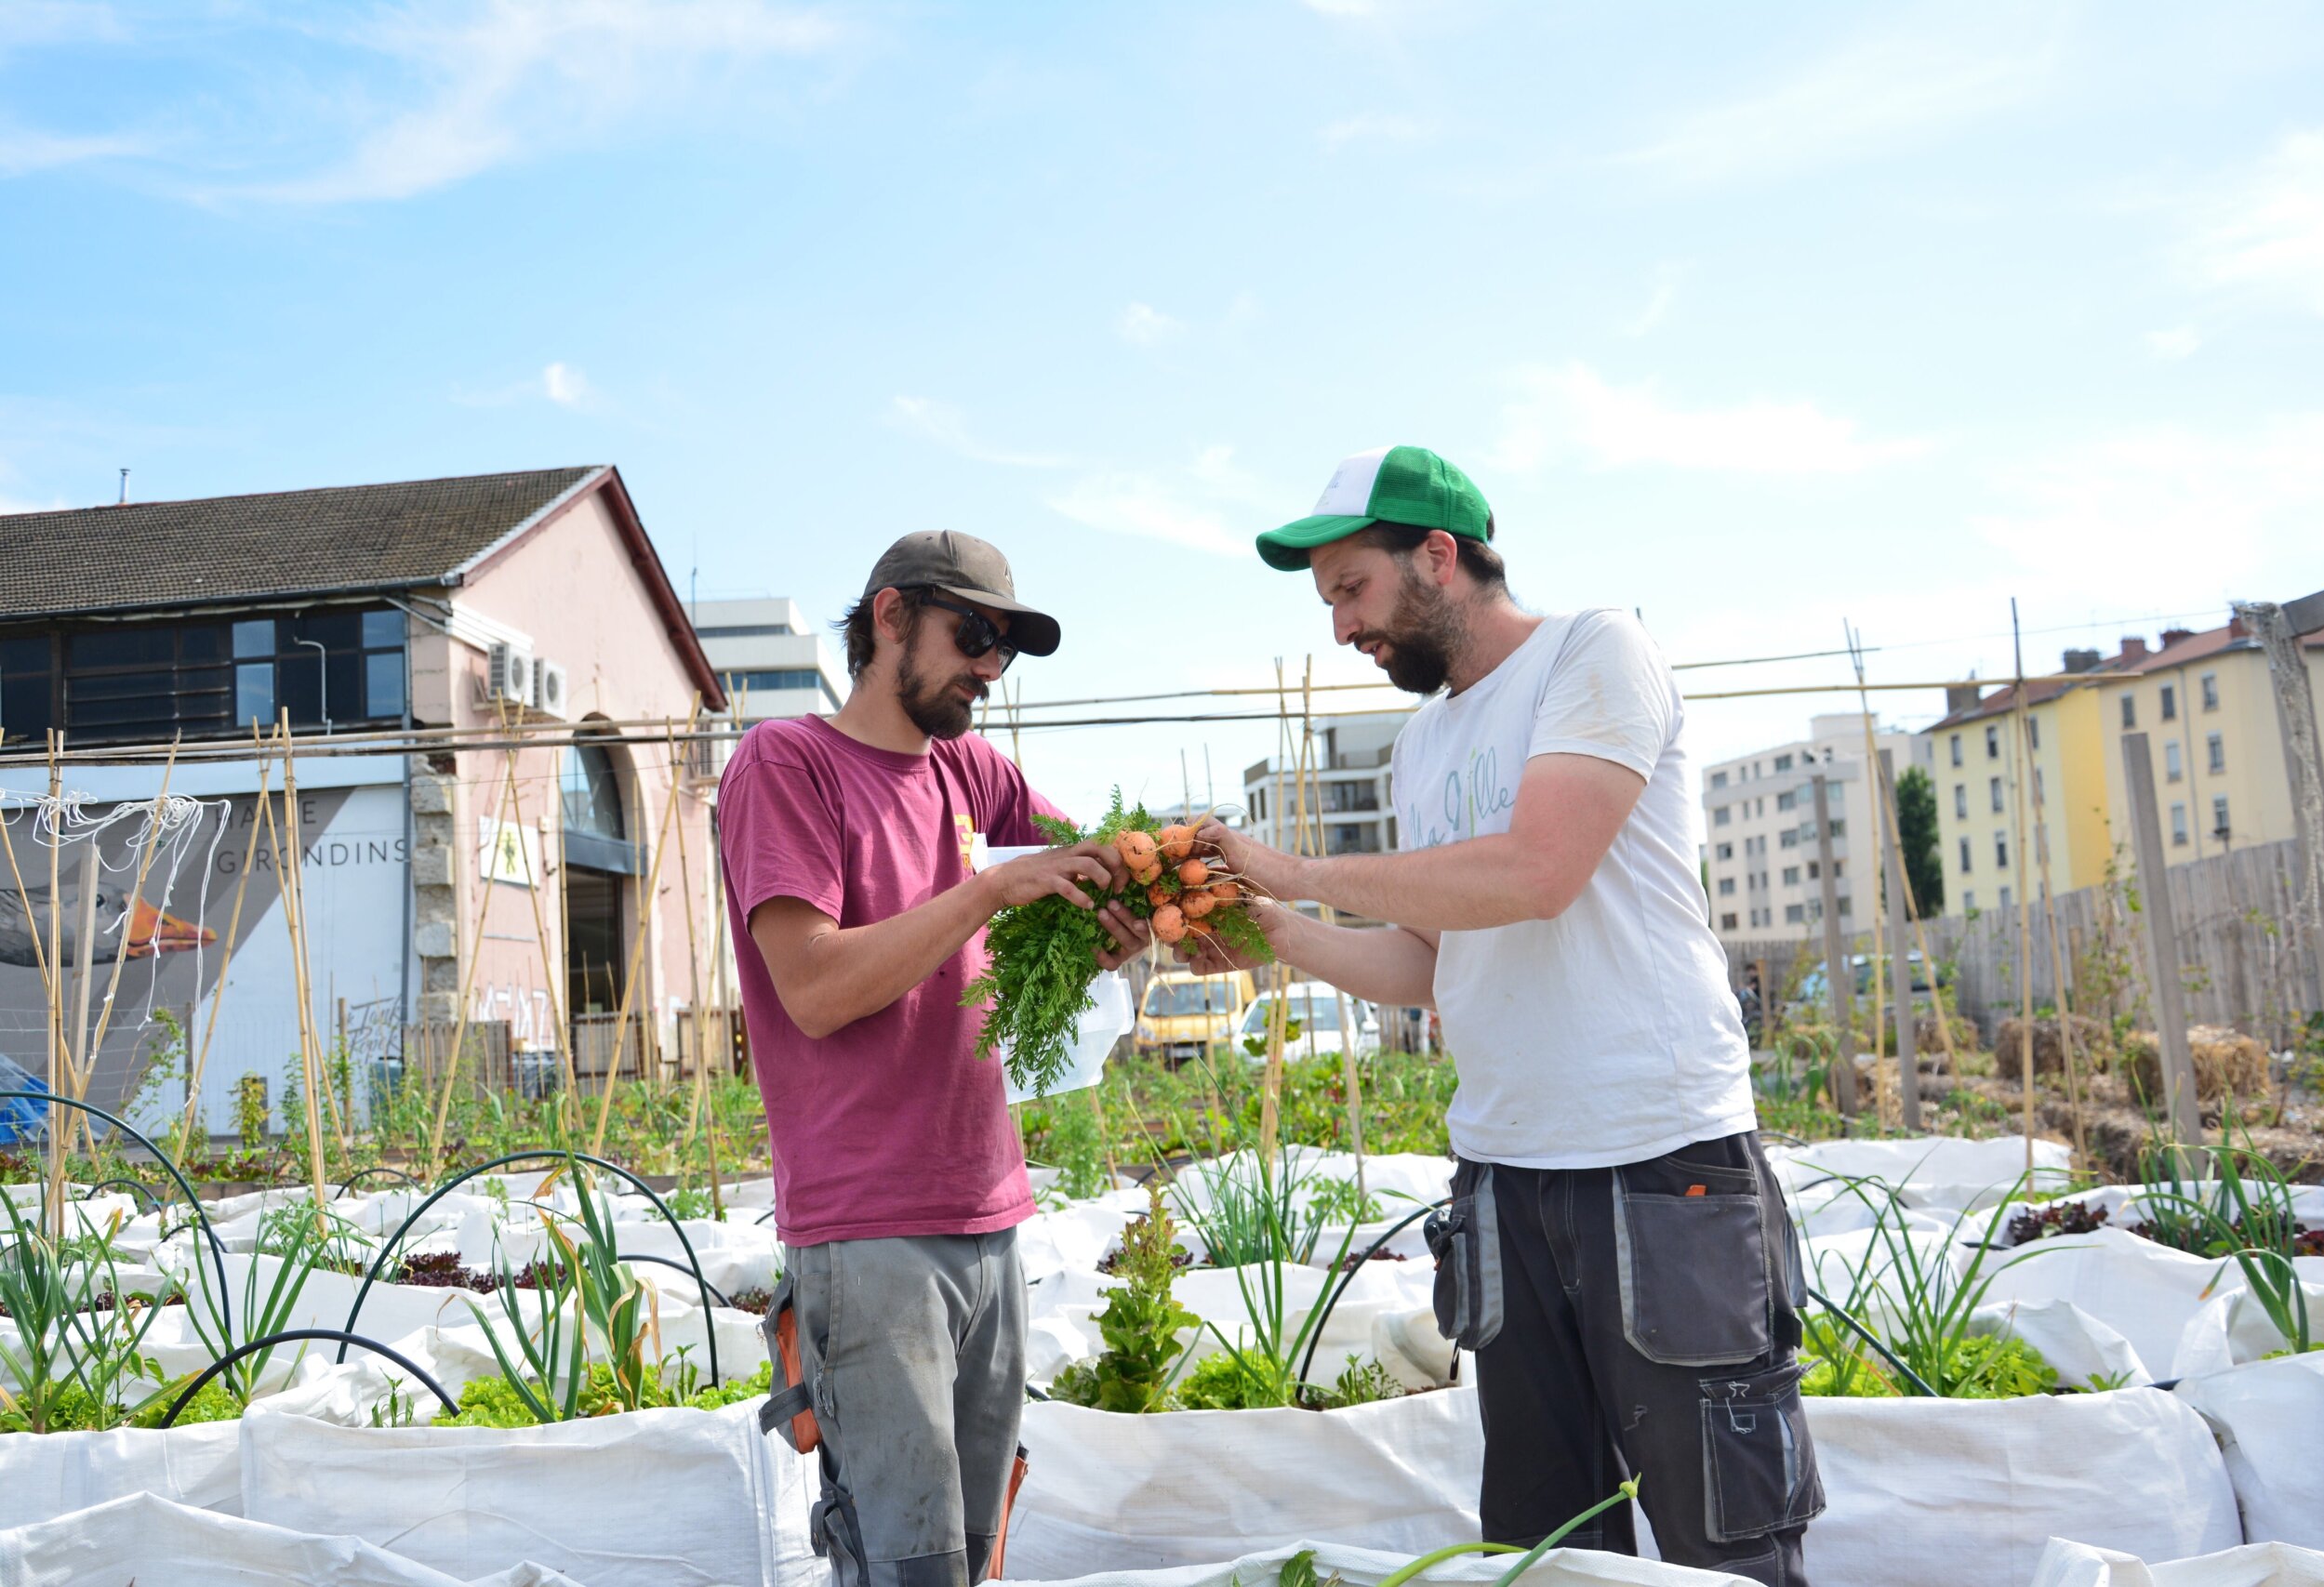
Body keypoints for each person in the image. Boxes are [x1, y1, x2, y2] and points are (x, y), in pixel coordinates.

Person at [1177, 446, 1823, 1585]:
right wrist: (1275, 936)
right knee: (1549, 1549)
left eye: (1351, 591)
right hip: (1503, 1176)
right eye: (1327, 602)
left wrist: (1293, 872)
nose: (1340, 629)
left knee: (1725, 1545)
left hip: (1657, 1163)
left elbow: (1537, 872)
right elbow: (1434, 965)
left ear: (1438, 555)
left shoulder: (1594, 650)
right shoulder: (1422, 744)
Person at [718, 530, 1149, 1587]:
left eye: (1006, 646)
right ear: (890, 617)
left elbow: (1087, 874)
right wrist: (989, 891)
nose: (991, 669)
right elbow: (813, 990)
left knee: (974, 1553)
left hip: (990, 1217)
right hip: (867, 1230)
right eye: (974, 635)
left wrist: (1130, 906)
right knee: (903, 1563)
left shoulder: (974, 772)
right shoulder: (788, 764)